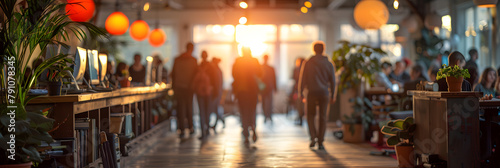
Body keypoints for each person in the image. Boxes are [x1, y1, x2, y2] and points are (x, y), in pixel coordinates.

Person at [298, 41, 336, 150]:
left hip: (311, 92)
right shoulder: (328, 63)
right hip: (324, 93)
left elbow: (302, 79)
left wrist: (301, 93)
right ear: (323, 50)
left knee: (310, 115)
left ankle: (313, 137)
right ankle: (321, 141)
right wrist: (333, 95)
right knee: (323, 117)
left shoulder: (308, 63)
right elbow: (333, 81)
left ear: (314, 50)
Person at [232, 46, 263, 146]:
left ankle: (245, 133)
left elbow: (234, 74)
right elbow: (260, 73)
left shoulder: (238, 61)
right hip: (253, 91)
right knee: (252, 111)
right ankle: (253, 127)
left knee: (243, 112)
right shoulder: (254, 61)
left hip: (241, 91)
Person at [172, 42, 198, 138]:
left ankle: (181, 129)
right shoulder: (193, 60)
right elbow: (196, 75)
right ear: (192, 49)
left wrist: (173, 86)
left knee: (180, 108)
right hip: (189, 88)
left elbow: (173, 74)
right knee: (189, 107)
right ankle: (191, 127)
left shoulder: (177, 59)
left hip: (178, 87)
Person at [192, 50, 215, 139]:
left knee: (202, 111)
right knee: (207, 110)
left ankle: (203, 131)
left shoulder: (198, 66)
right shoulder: (210, 67)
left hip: (199, 91)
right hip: (208, 91)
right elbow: (214, 80)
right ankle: (207, 128)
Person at [261, 55, 277, 123]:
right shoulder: (262, 67)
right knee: (265, 103)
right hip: (264, 88)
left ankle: (268, 116)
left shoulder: (270, 68)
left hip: (266, 88)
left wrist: (275, 87)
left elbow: (274, 78)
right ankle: (266, 116)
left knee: (267, 103)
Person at [210, 57, 225, 130]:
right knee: (215, 108)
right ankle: (219, 122)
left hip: (217, 92)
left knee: (215, 108)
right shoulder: (217, 70)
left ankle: (221, 121)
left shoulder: (216, 71)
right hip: (217, 92)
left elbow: (218, 83)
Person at [292, 57, 306, 125]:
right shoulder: (296, 69)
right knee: (299, 105)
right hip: (299, 90)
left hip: (301, 90)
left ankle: (301, 118)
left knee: (300, 105)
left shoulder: (302, 70)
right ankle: (300, 117)